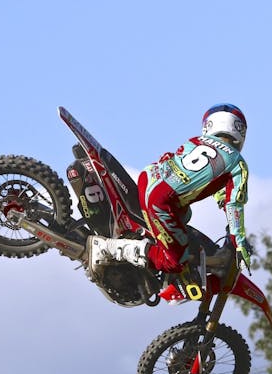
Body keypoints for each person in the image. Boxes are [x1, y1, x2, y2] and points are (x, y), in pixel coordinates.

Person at [88, 103, 252, 277]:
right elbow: (234, 205)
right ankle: (108, 249)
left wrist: (221, 199)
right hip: (161, 203)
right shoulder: (238, 163)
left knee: (184, 215)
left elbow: (205, 178)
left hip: (148, 177)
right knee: (175, 262)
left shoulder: (195, 141)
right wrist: (239, 244)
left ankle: (157, 241)